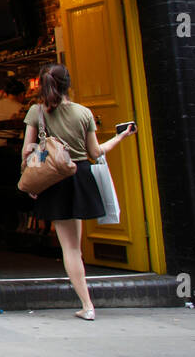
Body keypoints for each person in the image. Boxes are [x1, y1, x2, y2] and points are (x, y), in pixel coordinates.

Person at [22, 63, 136, 321]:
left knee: (69, 248)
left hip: (54, 179)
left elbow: (28, 150)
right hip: (79, 177)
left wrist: (35, 181)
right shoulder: (84, 113)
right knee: (76, 248)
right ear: (68, 84)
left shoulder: (36, 112)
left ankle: (88, 305)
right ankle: (86, 304)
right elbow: (94, 153)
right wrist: (121, 137)